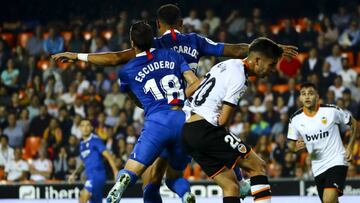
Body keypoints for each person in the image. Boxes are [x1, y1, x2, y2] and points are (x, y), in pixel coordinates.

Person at [52, 4, 297, 201]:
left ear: (158, 26)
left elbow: (116, 58)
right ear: (181, 23)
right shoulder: (194, 41)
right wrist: (271, 50)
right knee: (211, 147)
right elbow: (235, 50)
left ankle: (233, 184)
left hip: (161, 113)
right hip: (191, 111)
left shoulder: (155, 46)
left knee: (152, 178)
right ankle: (237, 182)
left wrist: (77, 56)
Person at [106, 21, 200, 203]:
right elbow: (194, 82)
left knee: (136, 171)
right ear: (153, 39)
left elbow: (136, 99)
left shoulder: (126, 71)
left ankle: (122, 182)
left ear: (132, 43)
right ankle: (186, 195)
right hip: (181, 118)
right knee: (174, 175)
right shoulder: (172, 55)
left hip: (157, 122)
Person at [182, 37, 283, 203]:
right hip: (205, 129)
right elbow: (222, 121)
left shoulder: (226, 64)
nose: (273, 70)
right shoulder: (240, 78)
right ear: (257, 60)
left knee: (231, 187)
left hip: (187, 131)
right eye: (271, 64)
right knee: (257, 166)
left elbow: (195, 86)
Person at [287, 82, 358, 203]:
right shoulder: (295, 119)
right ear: (300, 98)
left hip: (337, 160)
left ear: (317, 96)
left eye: (310, 93)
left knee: (328, 200)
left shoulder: (331, 111)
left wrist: (350, 146)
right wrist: (294, 147)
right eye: (303, 94)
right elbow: (291, 144)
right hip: (317, 166)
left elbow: (354, 124)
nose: (307, 97)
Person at [68, 119, 118, 203]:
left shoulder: (95, 140)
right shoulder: (81, 144)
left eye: (88, 125)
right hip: (90, 175)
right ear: (80, 128)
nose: (85, 128)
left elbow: (108, 156)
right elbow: (84, 163)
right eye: (83, 125)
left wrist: (115, 171)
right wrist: (74, 174)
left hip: (97, 175)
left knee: (83, 196)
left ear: (91, 128)